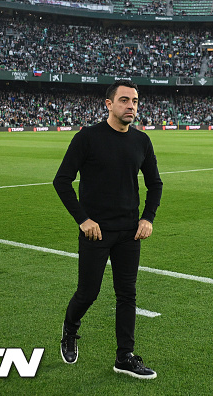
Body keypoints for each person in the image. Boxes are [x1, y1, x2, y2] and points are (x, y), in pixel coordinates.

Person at [53, 80, 163, 379]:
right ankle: (70, 328)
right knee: (88, 293)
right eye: (125, 100)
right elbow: (61, 181)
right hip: (96, 232)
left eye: (135, 101)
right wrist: (83, 219)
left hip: (129, 231)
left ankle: (124, 357)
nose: (131, 106)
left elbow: (155, 184)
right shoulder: (87, 138)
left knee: (127, 294)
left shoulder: (142, 141)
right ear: (108, 104)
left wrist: (147, 218)